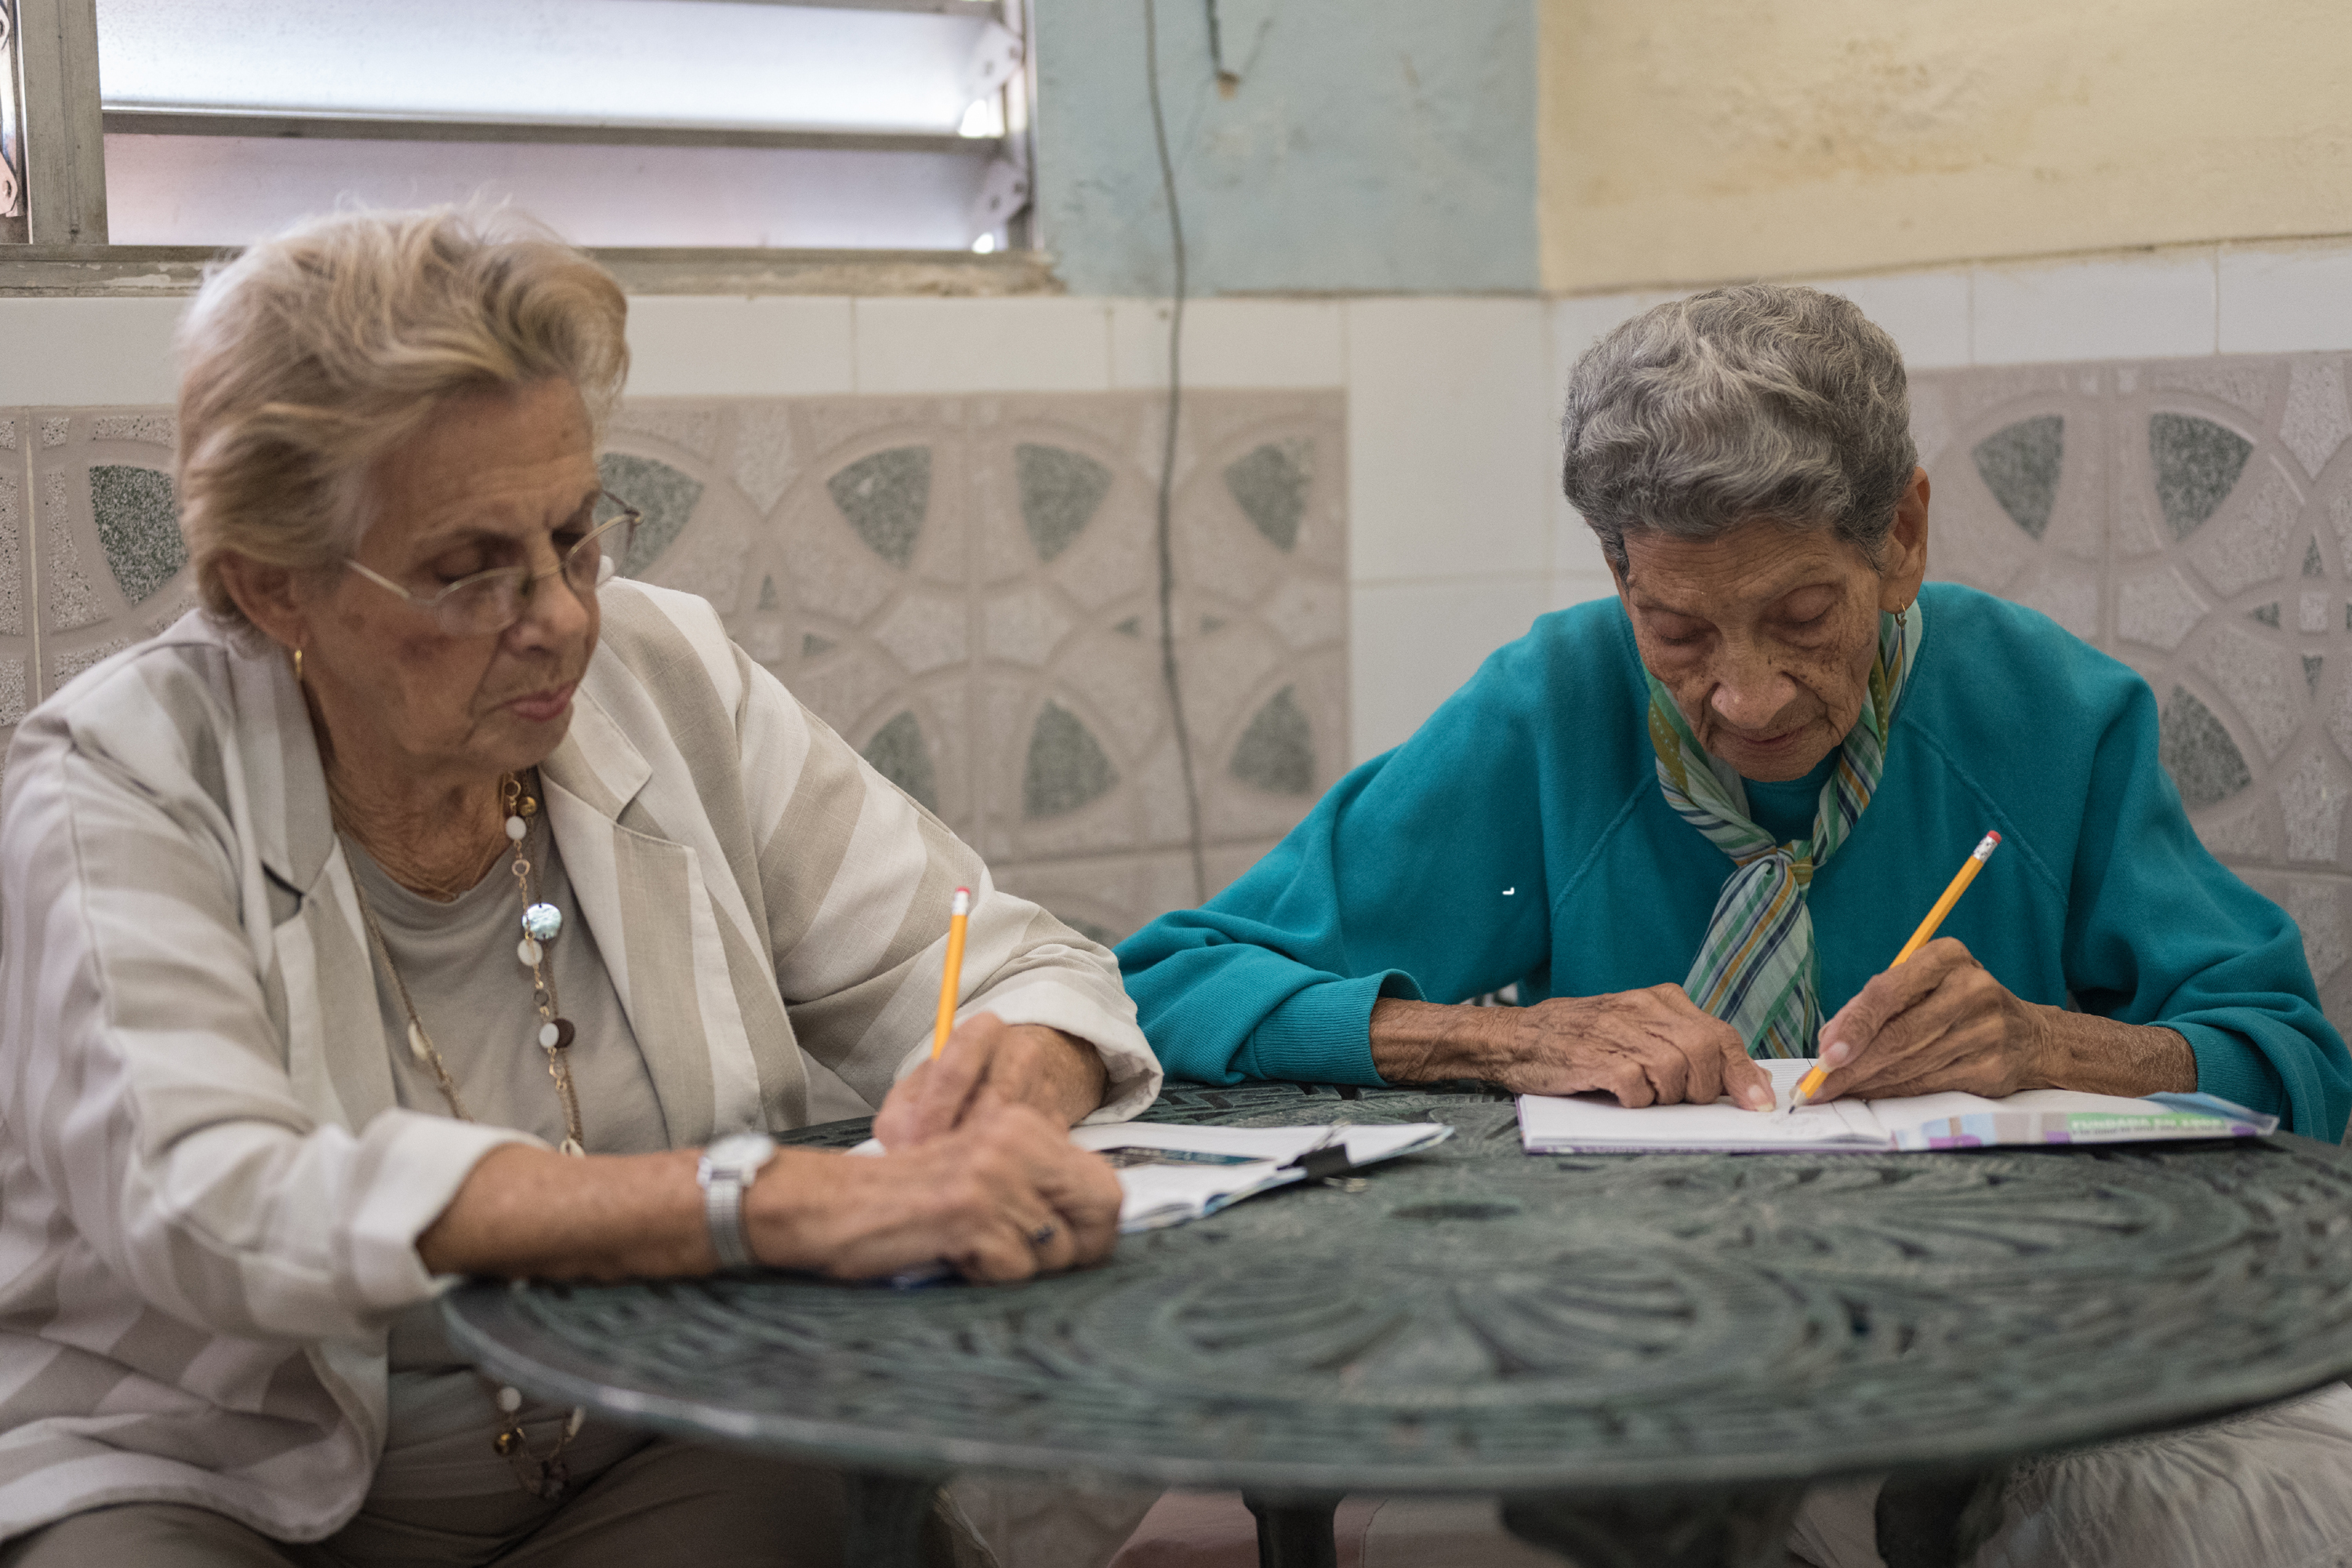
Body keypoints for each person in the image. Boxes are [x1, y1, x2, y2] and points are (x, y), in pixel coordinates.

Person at [1116, 283, 2352, 1568]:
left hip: (2001, 1357)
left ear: (1904, 536)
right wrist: (1501, 1043)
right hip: (1619, 1358)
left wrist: (2052, 1047)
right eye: (1679, 628)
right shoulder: (1553, 707)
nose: (1750, 695)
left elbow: (2293, 1061)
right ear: (1618, 573)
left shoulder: (2051, 715)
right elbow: (1161, 983)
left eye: (1807, 619)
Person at [0, 208, 1161, 1566]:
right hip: (212, 1481)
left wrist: (1003, 1098)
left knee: (847, 1514)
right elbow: (211, 1199)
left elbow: (1020, 967)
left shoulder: (666, 680)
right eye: (469, 570)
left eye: (572, 538)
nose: (560, 615)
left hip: (640, 1452)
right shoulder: (119, 782)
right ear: (274, 589)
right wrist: (760, 1204)